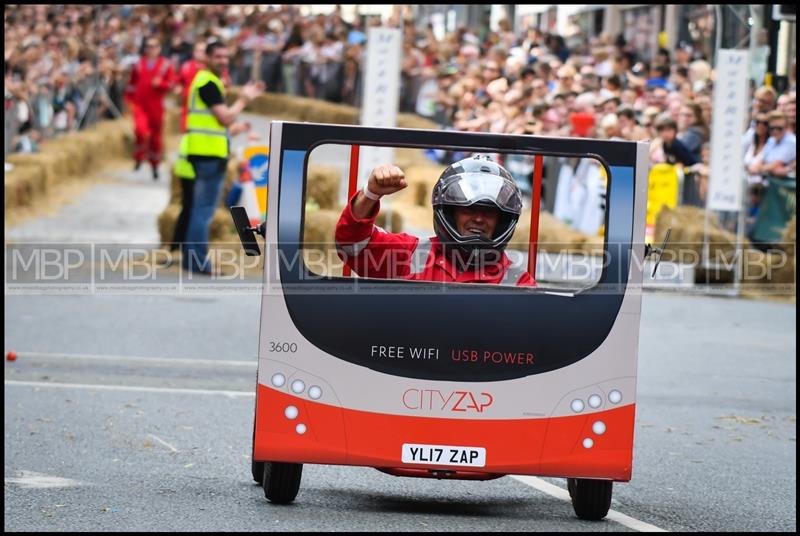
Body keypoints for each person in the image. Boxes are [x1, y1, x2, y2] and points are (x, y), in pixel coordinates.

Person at [335, 155, 536, 286]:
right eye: (469, 209)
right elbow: (351, 245)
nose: (478, 218)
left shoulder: (519, 283)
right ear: (450, 212)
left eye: (489, 212)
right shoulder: (409, 254)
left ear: (502, 221)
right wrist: (370, 194)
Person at [181, 41, 264, 275]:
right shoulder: (207, 82)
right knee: (203, 211)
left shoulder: (208, 81)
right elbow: (224, 118)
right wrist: (244, 99)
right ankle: (199, 262)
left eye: (226, 57)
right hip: (208, 155)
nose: (223, 61)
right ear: (207, 58)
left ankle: (191, 259)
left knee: (200, 209)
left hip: (206, 152)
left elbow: (219, 124)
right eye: (218, 56)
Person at [125, 36, 176, 180]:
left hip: (156, 106)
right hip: (140, 105)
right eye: (148, 46)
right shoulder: (138, 64)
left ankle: (154, 164)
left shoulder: (166, 65)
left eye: (154, 46)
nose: (151, 49)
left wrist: (161, 84)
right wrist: (128, 101)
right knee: (140, 131)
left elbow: (172, 84)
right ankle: (139, 157)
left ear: (159, 48)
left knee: (155, 137)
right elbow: (131, 84)